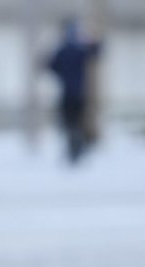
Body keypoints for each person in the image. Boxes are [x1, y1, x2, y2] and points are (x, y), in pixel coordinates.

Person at [47, 18, 102, 164]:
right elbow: (97, 51)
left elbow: (50, 66)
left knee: (69, 124)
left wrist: (62, 75)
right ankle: (76, 152)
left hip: (67, 93)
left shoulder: (62, 50)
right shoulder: (80, 50)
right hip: (79, 93)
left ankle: (74, 152)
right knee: (76, 124)